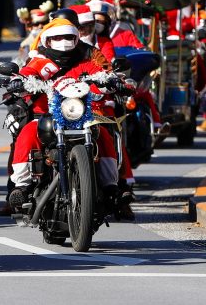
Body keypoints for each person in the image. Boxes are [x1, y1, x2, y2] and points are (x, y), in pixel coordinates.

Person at [7, 18, 121, 214]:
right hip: (46, 117)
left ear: (76, 38)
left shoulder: (86, 62)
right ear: (47, 41)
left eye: (68, 37)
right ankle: (22, 187)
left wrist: (113, 81)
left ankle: (111, 187)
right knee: (27, 133)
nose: (64, 41)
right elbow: (26, 73)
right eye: (58, 37)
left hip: (82, 117)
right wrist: (18, 81)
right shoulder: (39, 61)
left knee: (104, 135)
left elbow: (103, 75)